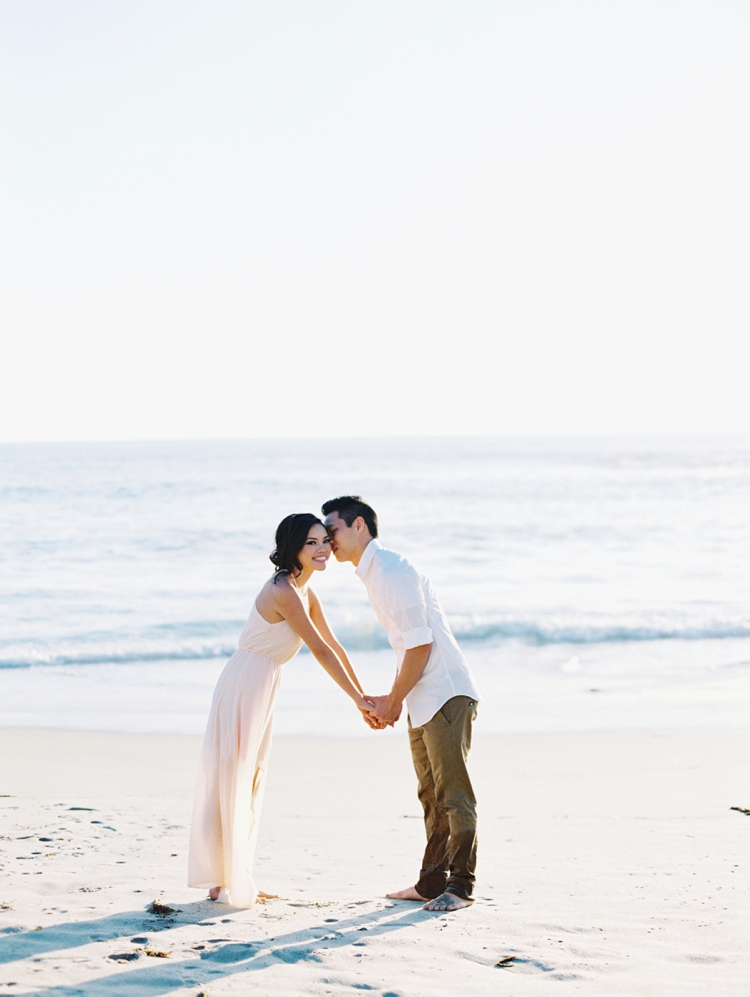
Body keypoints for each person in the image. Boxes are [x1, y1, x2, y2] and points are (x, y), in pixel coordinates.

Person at [188, 513, 377, 907]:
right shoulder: (283, 590)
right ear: (292, 547)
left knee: (251, 777)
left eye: (325, 540)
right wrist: (357, 702)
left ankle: (233, 876)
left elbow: (335, 645)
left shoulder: (305, 591)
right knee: (236, 775)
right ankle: (226, 880)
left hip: (264, 681)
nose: (323, 548)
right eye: (312, 543)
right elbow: (320, 651)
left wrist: (365, 697)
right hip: (246, 681)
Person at [322, 495, 481, 913]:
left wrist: (392, 702)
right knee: (430, 795)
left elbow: (421, 643)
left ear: (359, 526)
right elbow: (407, 646)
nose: (327, 538)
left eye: (333, 528)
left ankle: (461, 887)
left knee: (454, 795)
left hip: (446, 693)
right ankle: (431, 883)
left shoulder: (391, 570)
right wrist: (394, 698)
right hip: (423, 698)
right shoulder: (375, 574)